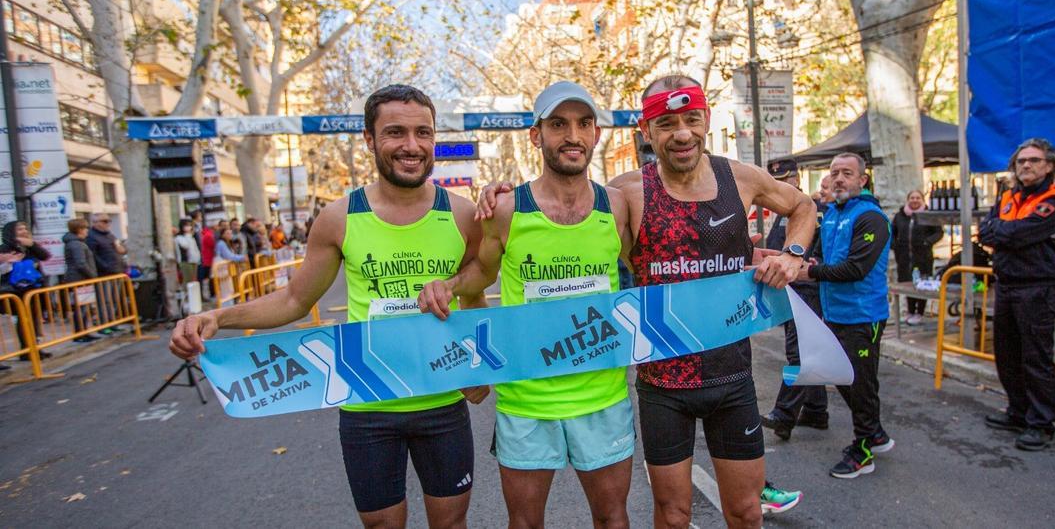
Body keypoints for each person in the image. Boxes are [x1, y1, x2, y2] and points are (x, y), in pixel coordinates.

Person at [171, 84, 487, 529]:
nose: (412, 146)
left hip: (441, 399)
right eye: (395, 132)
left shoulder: (461, 213)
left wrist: (479, 367)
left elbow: (474, 291)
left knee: (452, 524)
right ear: (370, 139)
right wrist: (218, 317)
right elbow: (296, 299)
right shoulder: (340, 217)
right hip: (368, 405)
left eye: (423, 133)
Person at [420, 82, 636, 529]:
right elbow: (481, 276)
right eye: (558, 124)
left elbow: (655, 269)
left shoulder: (616, 206)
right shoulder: (506, 209)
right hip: (526, 401)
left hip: (603, 397)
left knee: (613, 518)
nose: (572, 135)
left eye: (583, 124)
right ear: (536, 136)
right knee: (524, 523)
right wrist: (448, 285)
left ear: (597, 135)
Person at [610, 74, 817, 526]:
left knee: (745, 512)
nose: (682, 133)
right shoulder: (626, 191)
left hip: (733, 376)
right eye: (666, 123)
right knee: (672, 514)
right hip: (663, 383)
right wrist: (503, 196)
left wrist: (793, 255)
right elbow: (562, 216)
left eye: (691, 119)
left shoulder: (739, 178)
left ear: (706, 120)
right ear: (646, 132)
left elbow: (804, 207)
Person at [794, 152, 893, 479]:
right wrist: (807, 264)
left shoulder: (871, 217)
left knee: (860, 382)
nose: (838, 179)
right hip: (835, 311)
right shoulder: (833, 213)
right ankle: (875, 433)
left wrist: (813, 273)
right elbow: (820, 254)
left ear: (862, 180)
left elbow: (857, 268)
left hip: (863, 315)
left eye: (847, 173)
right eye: (834, 172)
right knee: (843, 377)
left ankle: (863, 449)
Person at [978, 137, 1055, 452]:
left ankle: (1042, 422)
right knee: (1007, 353)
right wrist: (1007, 233)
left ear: (1049, 166)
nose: (1026, 166)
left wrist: (1003, 233)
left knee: (1036, 357)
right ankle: (1018, 412)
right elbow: (985, 232)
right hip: (1005, 284)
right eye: (1021, 161)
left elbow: (1019, 233)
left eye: (1033, 160)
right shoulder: (1007, 197)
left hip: (1037, 287)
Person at [761, 170, 830, 439]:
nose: (779, 184)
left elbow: (820, 254)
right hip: (790, 290)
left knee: (799, 354)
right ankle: (815, 410)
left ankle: (784, 413)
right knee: (807, 350)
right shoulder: (783, 210)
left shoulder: (818, 212)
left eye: (785, 179)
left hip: (807, 289)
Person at [1, 220, 52, 362]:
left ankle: (35, 347)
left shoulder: (29, 247)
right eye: (19, 229)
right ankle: (26, 350)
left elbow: (45, 256)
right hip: (16, 290)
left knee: (34, 320)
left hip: (33, 289)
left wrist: (32, 244)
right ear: (11, 232)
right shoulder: (5, 248)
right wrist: (9, 261)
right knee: (24, 320)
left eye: (25, 228)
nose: (23, 231)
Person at [892, 190, 944, 325]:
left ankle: (919, 312)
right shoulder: (900, 216)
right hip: (904, 257)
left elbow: (938, 233)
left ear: (922, 199)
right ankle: (910, 311)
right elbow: (891, 232)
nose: (914, 200)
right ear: (908, 199)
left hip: (923, 256)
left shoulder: (929, 216)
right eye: (912, 198)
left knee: (922, 283)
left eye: (917, 198)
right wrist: (895, 246)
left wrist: (927, 242)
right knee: (908, 283)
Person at [63, 218, 102, 343]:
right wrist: (92, 276)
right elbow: (81, 263)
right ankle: (80, 333)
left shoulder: (77, 243)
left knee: (84, 307)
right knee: (81, 308)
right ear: (80, 229)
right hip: (79, 280)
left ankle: (84, 331)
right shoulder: (76, 244)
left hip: (81, 279)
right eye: (85, 228)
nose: (87, 231)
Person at [85, 213, 125, 329]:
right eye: (104, 221)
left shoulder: (110, 235)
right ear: (95, 223)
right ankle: (105, 324)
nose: (107, 224)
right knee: (104, 300)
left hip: (116, 271)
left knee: (114, 299)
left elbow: (122, 250)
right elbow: (93, 256)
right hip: (103, 273)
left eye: (109, 221)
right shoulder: (91, 237)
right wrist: (105, 266)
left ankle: (113, 322)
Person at [175, 219, 201, 285]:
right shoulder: (179, 237)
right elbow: (185, 245)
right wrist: (188, 235)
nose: (188, 227)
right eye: (186, 225)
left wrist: (198, 259)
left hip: (194, 261)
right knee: (188, 280)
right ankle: (186, 294)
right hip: (185, 261)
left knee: (193, 280)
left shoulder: (191, 237)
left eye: (190, 225)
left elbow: (195, 249)